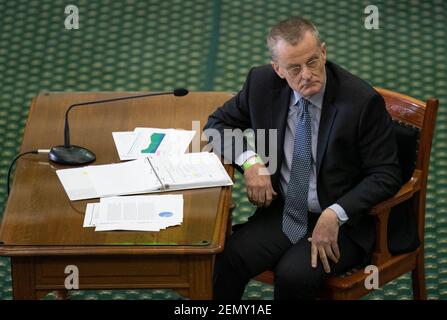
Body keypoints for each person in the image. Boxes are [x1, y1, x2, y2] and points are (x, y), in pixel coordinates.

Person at [204, 16, 402, 299]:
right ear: (278, 69)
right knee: (227, 259)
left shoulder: (361, 102)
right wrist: (251, 162)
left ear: (324, 52)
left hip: (344, 221)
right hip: (286, 210)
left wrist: (336, 212)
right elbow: (217, 126)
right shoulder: (261, 83)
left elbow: (386, 173)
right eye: (294, 68)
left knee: (294, 275)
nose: (306, 74)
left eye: (312, 62)